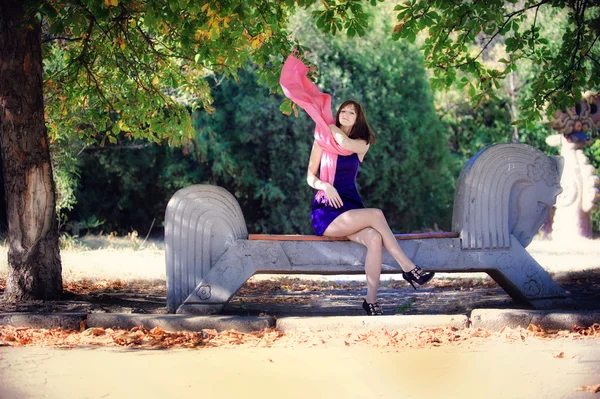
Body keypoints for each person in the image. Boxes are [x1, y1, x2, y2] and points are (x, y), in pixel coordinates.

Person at [307, 100, 435, 315]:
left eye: (351, 113)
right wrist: (324, 185)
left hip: (351, 207)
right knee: (376, 214)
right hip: (327, 211)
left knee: (375, 239)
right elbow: (310, 176)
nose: (345, 115)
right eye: (342, 111)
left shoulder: (362, 143)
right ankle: (408, 268)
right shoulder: (321, 141)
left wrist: (329, 127)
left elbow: (344, 143)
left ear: (358, 119)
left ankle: (371, 301)